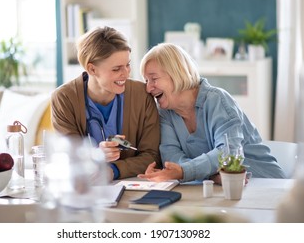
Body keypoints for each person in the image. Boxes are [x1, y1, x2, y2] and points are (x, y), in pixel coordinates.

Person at [138, 43, 285, 184]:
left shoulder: (217, 100)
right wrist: (211, 176)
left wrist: (186, 171)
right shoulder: (165, 113)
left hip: (265, 184)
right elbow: (172, 158)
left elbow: (228, 153)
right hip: (223, 189)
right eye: (146, 80)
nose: (148, 88)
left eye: (154, 79)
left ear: (176, 73)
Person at [51, 26, 161, 181]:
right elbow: (69, 159)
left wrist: (113, 170)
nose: (126, 73)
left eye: (127, 65)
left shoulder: (142, 95)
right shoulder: (64, 99)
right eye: (116, 69)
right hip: (87, 189)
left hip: (134, 185)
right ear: (92, 69)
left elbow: (152, 156)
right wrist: (95, 155)